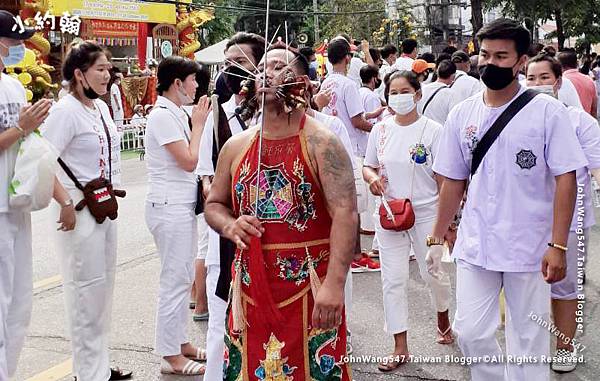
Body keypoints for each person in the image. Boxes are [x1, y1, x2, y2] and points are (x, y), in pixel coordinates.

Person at [427, 19, 587, 381]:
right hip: (476, 244)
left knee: (527, 339)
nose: (490, 63)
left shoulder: (547, 112)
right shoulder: (462, 113)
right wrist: (436, 237)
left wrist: (558, 244)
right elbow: (452, 180)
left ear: (521, 62)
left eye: (501, 56)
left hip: (529, 247)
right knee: (470, 332)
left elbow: (567, 178)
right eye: (484, 54)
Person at [204, 45, 357, 381]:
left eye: (276, 67)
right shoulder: (236, 146)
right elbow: (214, 205)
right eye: (261, 67)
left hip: (310, 289)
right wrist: (231, 226)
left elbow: (346, 214)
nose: (264, 72)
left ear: (300, 82)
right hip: (249, 288)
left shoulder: (323, 143)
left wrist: (334, 284)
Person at [41, 40, 132, 381]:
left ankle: (97, 365)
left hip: (103, 207)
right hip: (76, 212)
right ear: (79, 74)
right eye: (101, 69)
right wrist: (64, 202)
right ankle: (88, 372)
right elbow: (42, 162)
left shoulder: (101, 108)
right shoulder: (64, 112)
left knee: (101, 289)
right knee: (83, 292)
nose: (108, 75)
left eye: (109, 69)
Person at [363, 70, 453, 372]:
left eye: (405, 91)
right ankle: (399, 345)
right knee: (393, 280)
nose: (399, 97)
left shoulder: (434, 131)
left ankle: (442, 315)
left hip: (427, 216)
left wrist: (448, 223)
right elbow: (368, 166)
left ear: (417, 94)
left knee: (432, 272)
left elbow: (444, 179)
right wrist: (373, 179)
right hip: (389, 215)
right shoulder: (381, 130)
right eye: (393, 92)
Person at [195, 31, 265, 381]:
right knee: (222, 317)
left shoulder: (278, 114)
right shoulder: (219, 115)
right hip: (226, 237)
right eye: (228, 63)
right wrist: (222, 209)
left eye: (240, 62)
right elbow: (207, 176)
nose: (231, 70)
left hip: (270, 235)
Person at [526, 53, 600, 373]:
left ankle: (565, 347)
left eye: (544, 77)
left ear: (558, 82)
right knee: (526, 286)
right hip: (525, 218)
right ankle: (533, 345)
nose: (538, 84)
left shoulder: (580, 121)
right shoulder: (516, 120)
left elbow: (596, 169)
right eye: (531, 78)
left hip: (570, 218)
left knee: (564, 287)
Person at [144, 56, 211, 376]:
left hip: (179, 207)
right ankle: (170, 355)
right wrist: (197, 126)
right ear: (177, 83)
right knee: (174, 282)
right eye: (193, 80)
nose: (197, 86)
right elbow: (188, 161)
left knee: (182, 279)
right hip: (168, 207)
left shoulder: (174, 112)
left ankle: (180, 342)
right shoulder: (161, 116)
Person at [0, 12, 53, 379]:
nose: (19, 49)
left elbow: (24, 144)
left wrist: (30, 130)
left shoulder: (14, 86)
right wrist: (21, 127)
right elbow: (15, 134)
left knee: (19, 305)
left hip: (16, 203)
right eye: (13, 42)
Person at [320, 38, 382, 272]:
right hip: (351, 149)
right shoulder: (348, 85)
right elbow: (357, 121)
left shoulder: (326, 82)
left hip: (331, 148)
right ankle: (354, 254)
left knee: (342, 205)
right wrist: (378, 127)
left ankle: (350, 251)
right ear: (347, 58)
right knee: (353, 204)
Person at [558, 49, 598, 117]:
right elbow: (594, 109)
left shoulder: (560, 82)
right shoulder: (589, 80)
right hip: (586, 122)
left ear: (559, 65)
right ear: (576, 63)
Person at [418, 60, 458, 125]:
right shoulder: (451, 94)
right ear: (453, 76)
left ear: (437, 72)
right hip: (440, 131)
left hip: (422, 129)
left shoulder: (423, 89)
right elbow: (454, 118)